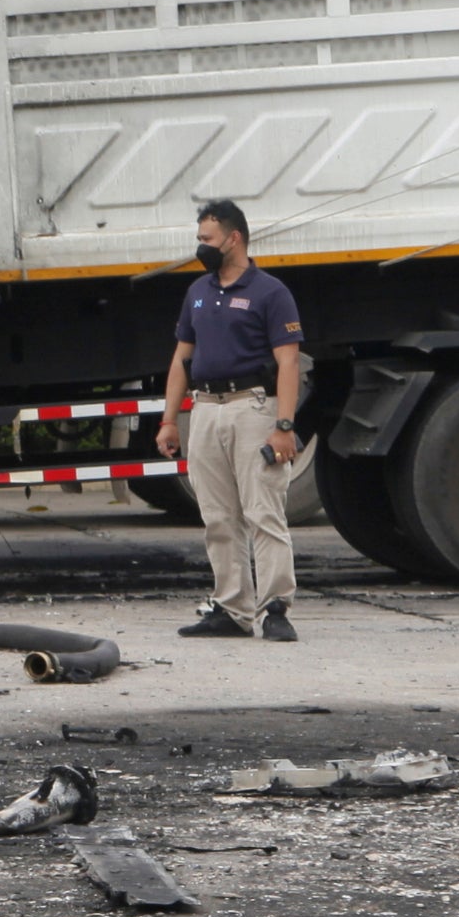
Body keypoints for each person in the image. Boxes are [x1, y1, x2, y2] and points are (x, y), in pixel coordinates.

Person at [155, 199, 305, 641]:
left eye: (207, 239)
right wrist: (169, 420)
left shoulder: (270, 292)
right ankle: (232, 608)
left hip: (251, 407)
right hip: (205, 409)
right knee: (218, 515)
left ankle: (275, 607)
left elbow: (289, 364)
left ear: (233, 238)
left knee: (263, 510)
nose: (200, 247)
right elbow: (182, 359)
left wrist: (284, 425)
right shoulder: (197, 292)